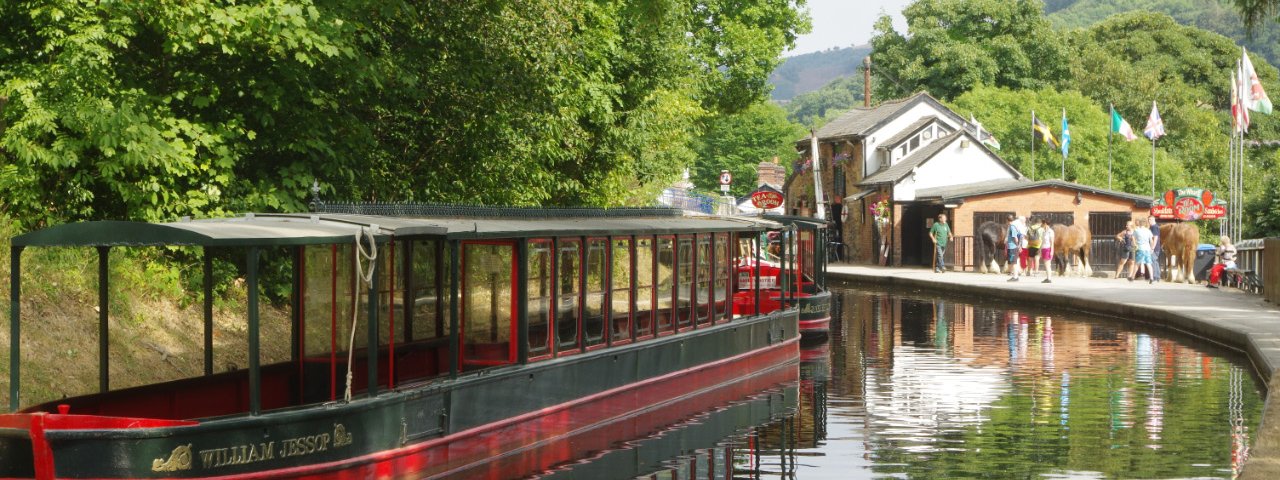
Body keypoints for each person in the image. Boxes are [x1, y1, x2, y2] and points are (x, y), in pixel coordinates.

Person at [1131, 218, 1155, 283]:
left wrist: (1135, 244)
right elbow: (1151, 241)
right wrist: (1152, 248)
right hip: (1147, 249)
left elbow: (1132, 237)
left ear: (1139, 223)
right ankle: (1152, 278)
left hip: (1140, 248)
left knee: (1137, 264)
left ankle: (1132, 277)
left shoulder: (1136, 230)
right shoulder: (1148, 231)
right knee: (1148, 263)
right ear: (1145, 223)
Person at [1006, 214, 1025, 282]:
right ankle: (1015, 276)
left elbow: (1015, 237)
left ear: (1007, 221)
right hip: (1013, 247)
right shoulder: (1015, 225)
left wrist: (1018, 246)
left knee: (1013, 262)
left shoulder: (1012, 226)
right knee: (1014, 262)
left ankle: (1015, 277)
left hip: (1013, 247)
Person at [1039, 218, 1055, 283]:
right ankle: (1048, 277)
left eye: (1042, 223)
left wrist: (1051, 251)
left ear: (1045, 223)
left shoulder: (1050, 232)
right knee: (1046, 264)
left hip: (1048, 248)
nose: (1041, 224)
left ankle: (1049, 278)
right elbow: (1042, 241)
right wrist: (1040, 249)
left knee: (1047, 264)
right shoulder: (1044, 231)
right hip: (1043, 248)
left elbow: (1052, 242)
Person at [1148, 216, 1161, 283]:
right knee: (1155, 262)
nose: (1149, 221)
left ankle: (1156, 277)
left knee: (1153, 262)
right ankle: (1157, 277)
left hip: (1154, 248)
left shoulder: (1154, 227)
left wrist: (1152, 248)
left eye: (1150, 219)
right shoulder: (1152, 227)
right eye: (1148, 220)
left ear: (1153, 219)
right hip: (1154, 247)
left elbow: (1155, 238)